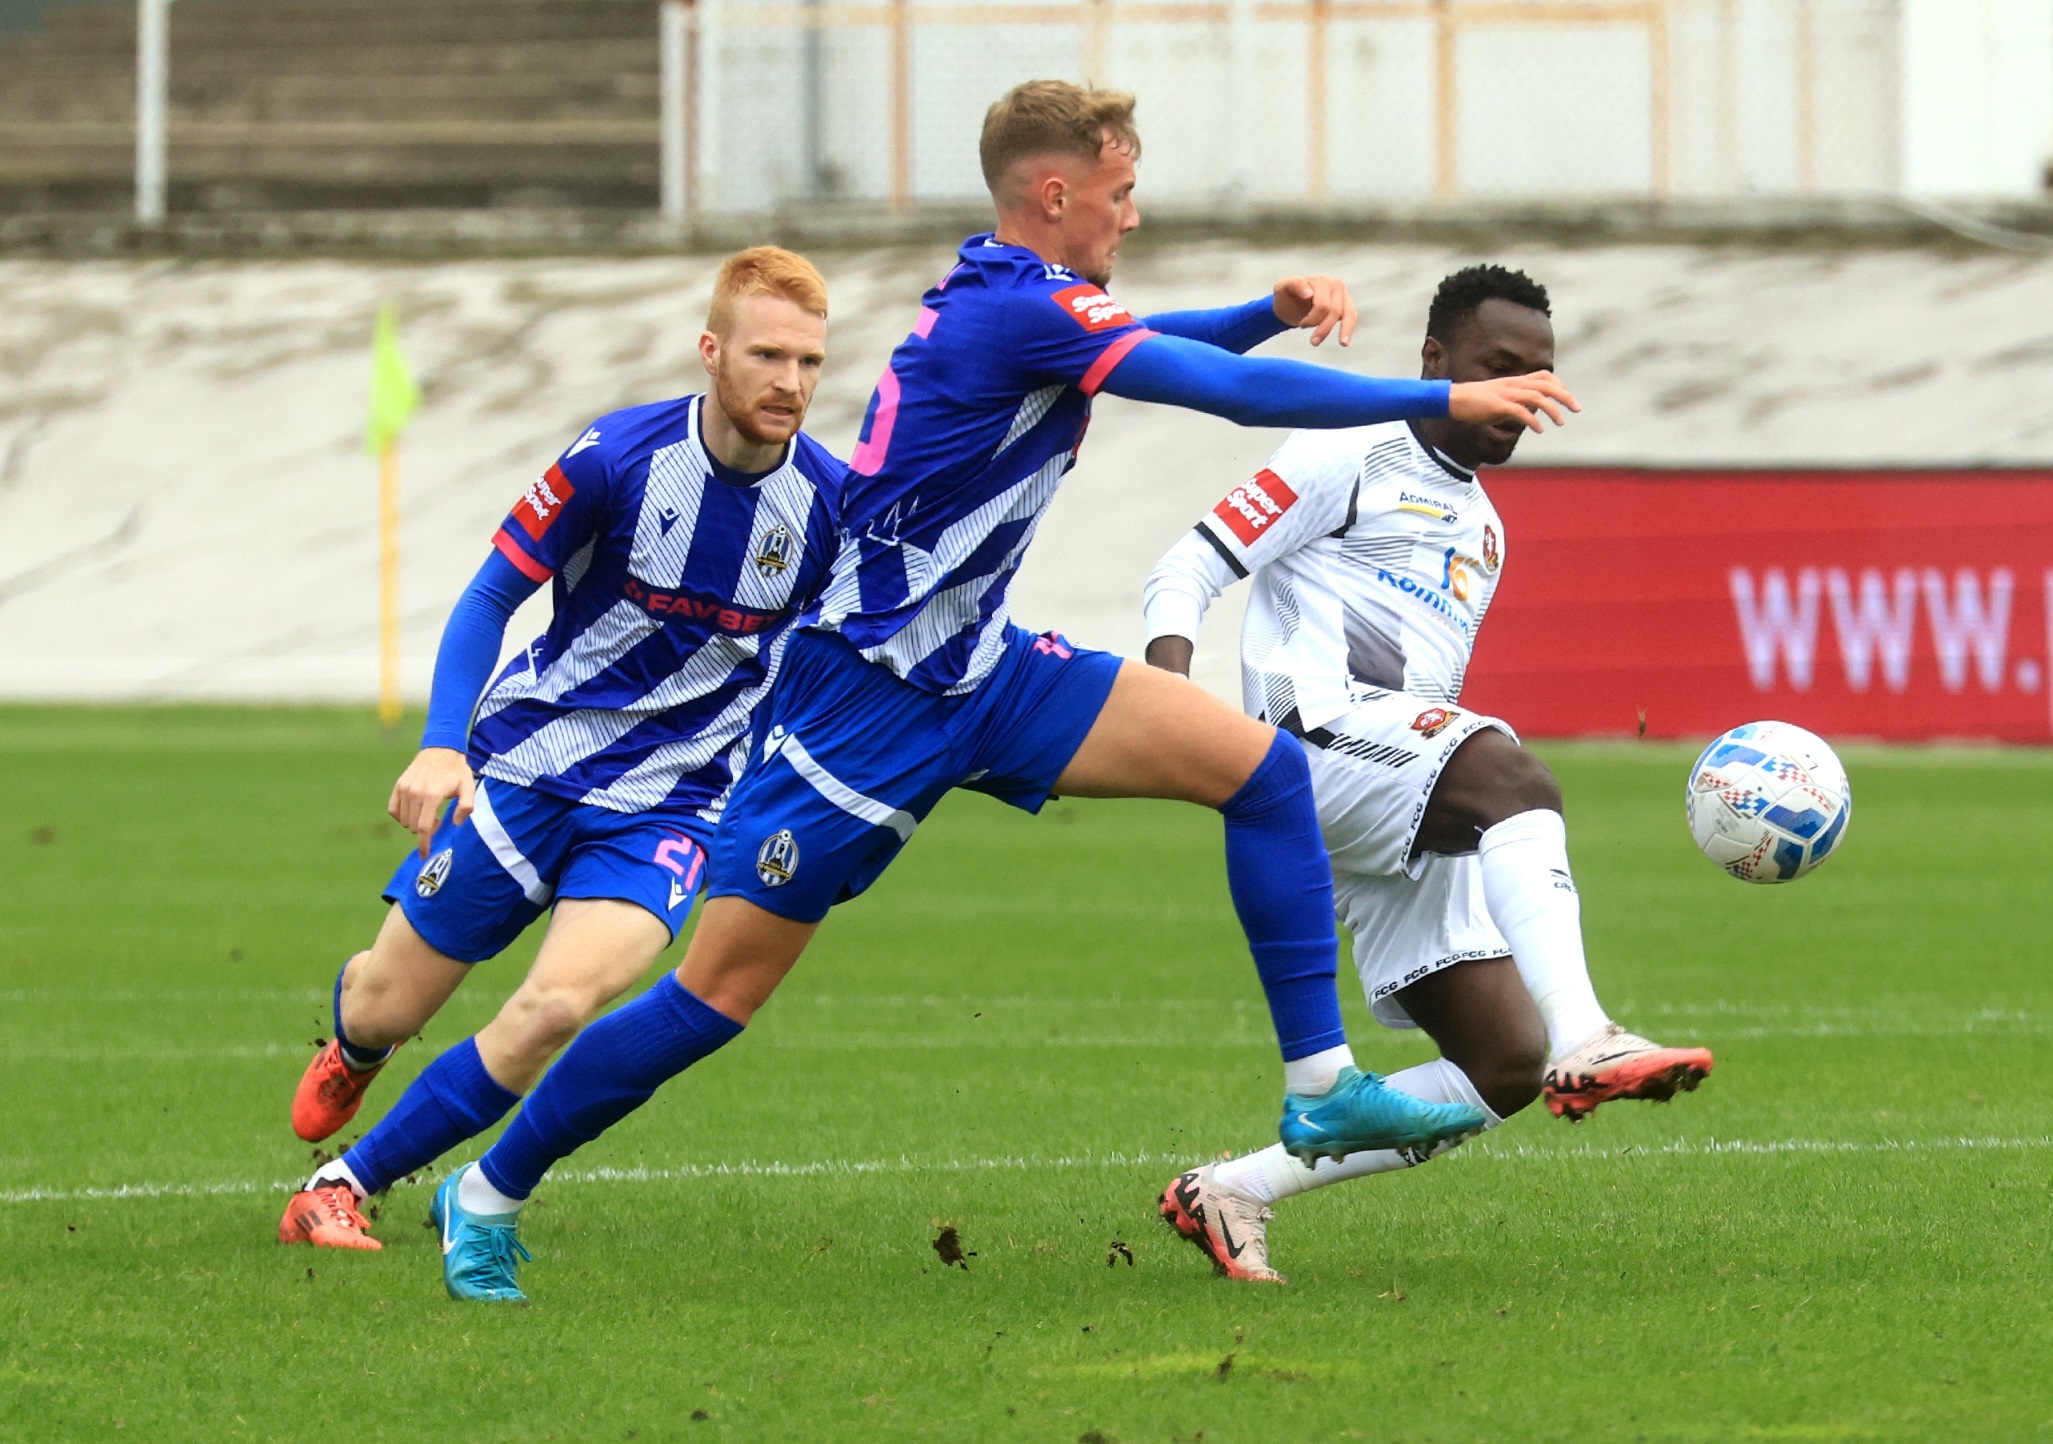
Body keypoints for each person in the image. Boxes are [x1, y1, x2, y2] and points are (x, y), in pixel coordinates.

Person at [425, 81, 1581, 1303]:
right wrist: (1437, 400)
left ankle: (1317, 1087)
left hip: (980, 667)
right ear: (1056, 192)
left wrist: (1262, 310)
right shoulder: (1013, 305)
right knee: (715, 996)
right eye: (1121, 193)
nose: (1130, 216)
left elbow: (1146, 347)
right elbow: (1214, 392)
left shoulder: (1027, 301)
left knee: (1264, 770)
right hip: (859, 704)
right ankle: (487, 1190)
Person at [274, 248, 848, 1278]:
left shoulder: (829, 507)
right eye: (767, 355)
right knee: (385, 1002)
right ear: (710, 352)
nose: (791, 383)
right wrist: (444, 744)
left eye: (809, 361)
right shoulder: (614, 459)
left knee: (556, 1005)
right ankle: (356, 1045)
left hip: (674, 805)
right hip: (526, 768)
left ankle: (341, 1185)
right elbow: (489, 598)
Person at [1142, 264, 1714, 1284]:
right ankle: (1591, 1032)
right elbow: (1186, 566)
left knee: (1501, 1061)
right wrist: (1173, 698)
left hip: (1396, 775)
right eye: (1500, 367)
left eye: (1539, 372)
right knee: (1516, 781)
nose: (1522, 391)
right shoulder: (1344, 449)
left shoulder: (1485, 528)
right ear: (1433, 363)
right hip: (1307, 744)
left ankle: (1234, 1189)